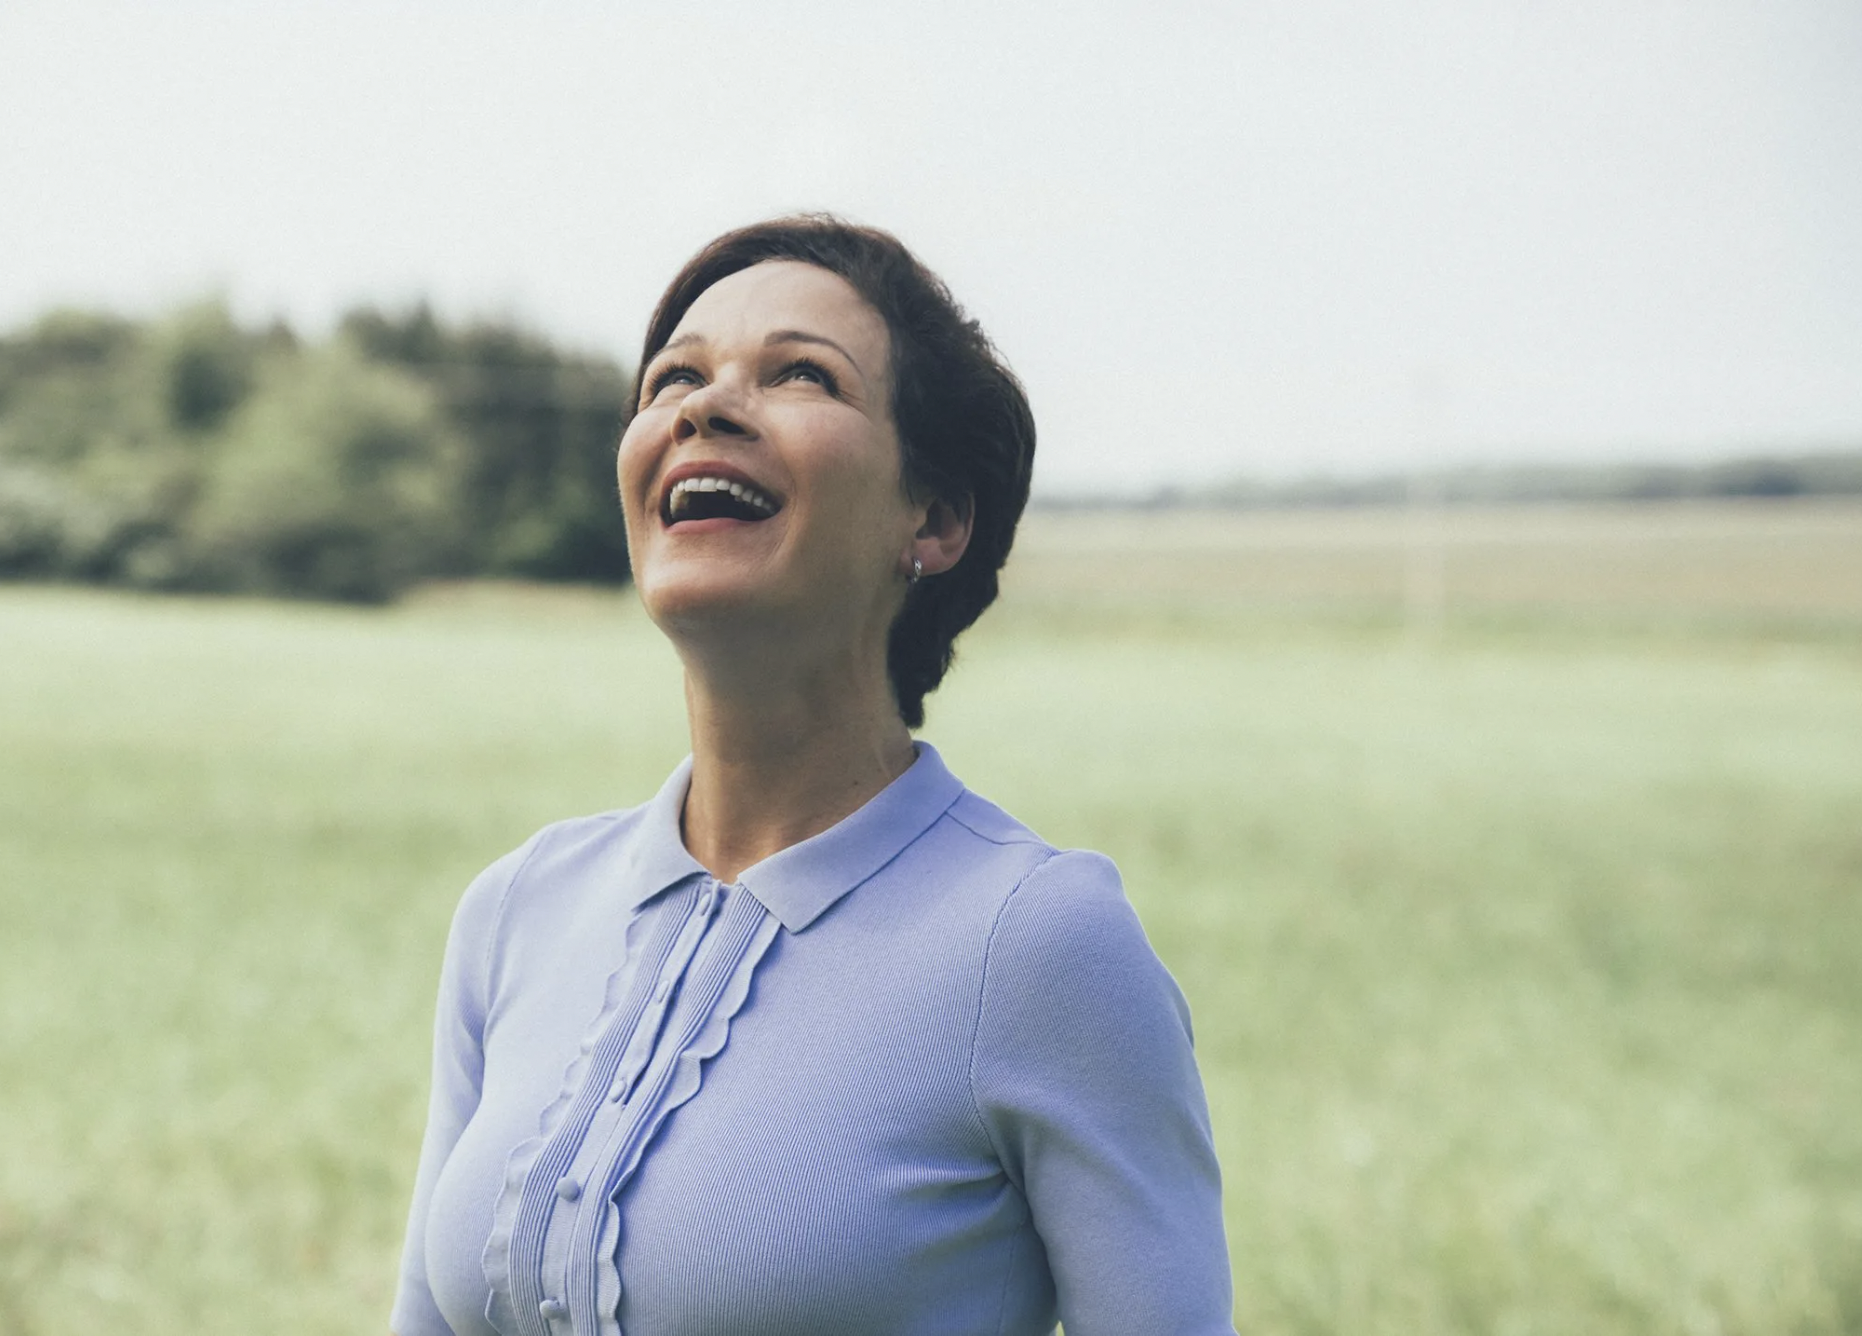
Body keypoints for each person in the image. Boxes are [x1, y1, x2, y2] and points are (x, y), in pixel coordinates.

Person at [389, 217, 1233, 1336]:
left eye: (801, 374)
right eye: (674, 378)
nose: (705, 407)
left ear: (934, 517)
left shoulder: (1040, 942)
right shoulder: (518, 909)